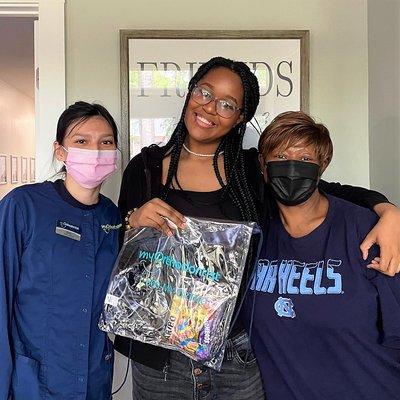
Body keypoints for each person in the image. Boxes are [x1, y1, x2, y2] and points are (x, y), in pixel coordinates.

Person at [117, 57, 400, 399]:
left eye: (227, 104)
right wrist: (132, 220)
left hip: (236, 352)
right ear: (191, 92)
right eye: (204, 92)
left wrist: (387, 210)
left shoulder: (251, 170)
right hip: (160, 355)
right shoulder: (144, 169)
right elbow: (124, 252)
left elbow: (325, 189)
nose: (210, 107)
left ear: (240, 118)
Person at [242, 111, 400, 400]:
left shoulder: (365, 230)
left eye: (305, 160)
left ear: (322, 167)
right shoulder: (255, 237)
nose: (291, 168)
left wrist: (389, 211)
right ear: (263, 167)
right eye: (279, 156)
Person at [0, 101, 121, 400]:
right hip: (34, 382)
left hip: (94, 378)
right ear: (60, 152)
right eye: (82, 141)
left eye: (106, 142)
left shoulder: (112, 217)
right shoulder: (24, 206)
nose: (95, 151)